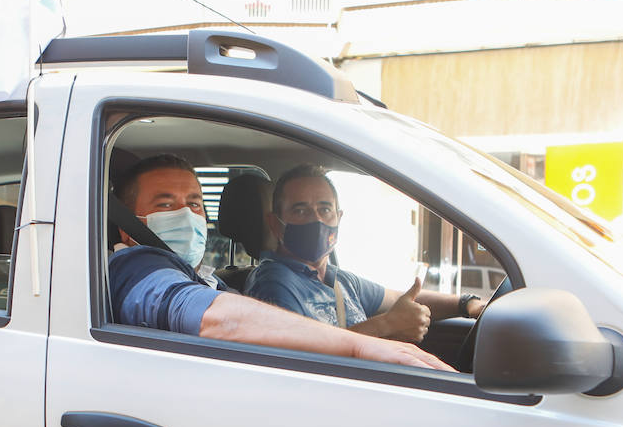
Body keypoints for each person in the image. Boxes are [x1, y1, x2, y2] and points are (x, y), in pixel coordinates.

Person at [108, 154, 454, 372]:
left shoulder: (208, 280)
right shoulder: (137, 268)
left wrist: (469, 305)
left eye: (195, 204)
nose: (186, 214)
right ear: (128, 229)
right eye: (167, 206)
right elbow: (206, 314)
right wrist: (367, 342)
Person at [244, 165, 483, 342]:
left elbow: (398, 299)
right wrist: (386, 326)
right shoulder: (273, 284)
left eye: (324, 209)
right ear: (275, 224)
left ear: (339, 218)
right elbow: (299, 355)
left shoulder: (340, 280)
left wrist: (466, 304)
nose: (316, 219)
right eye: (300, 210)